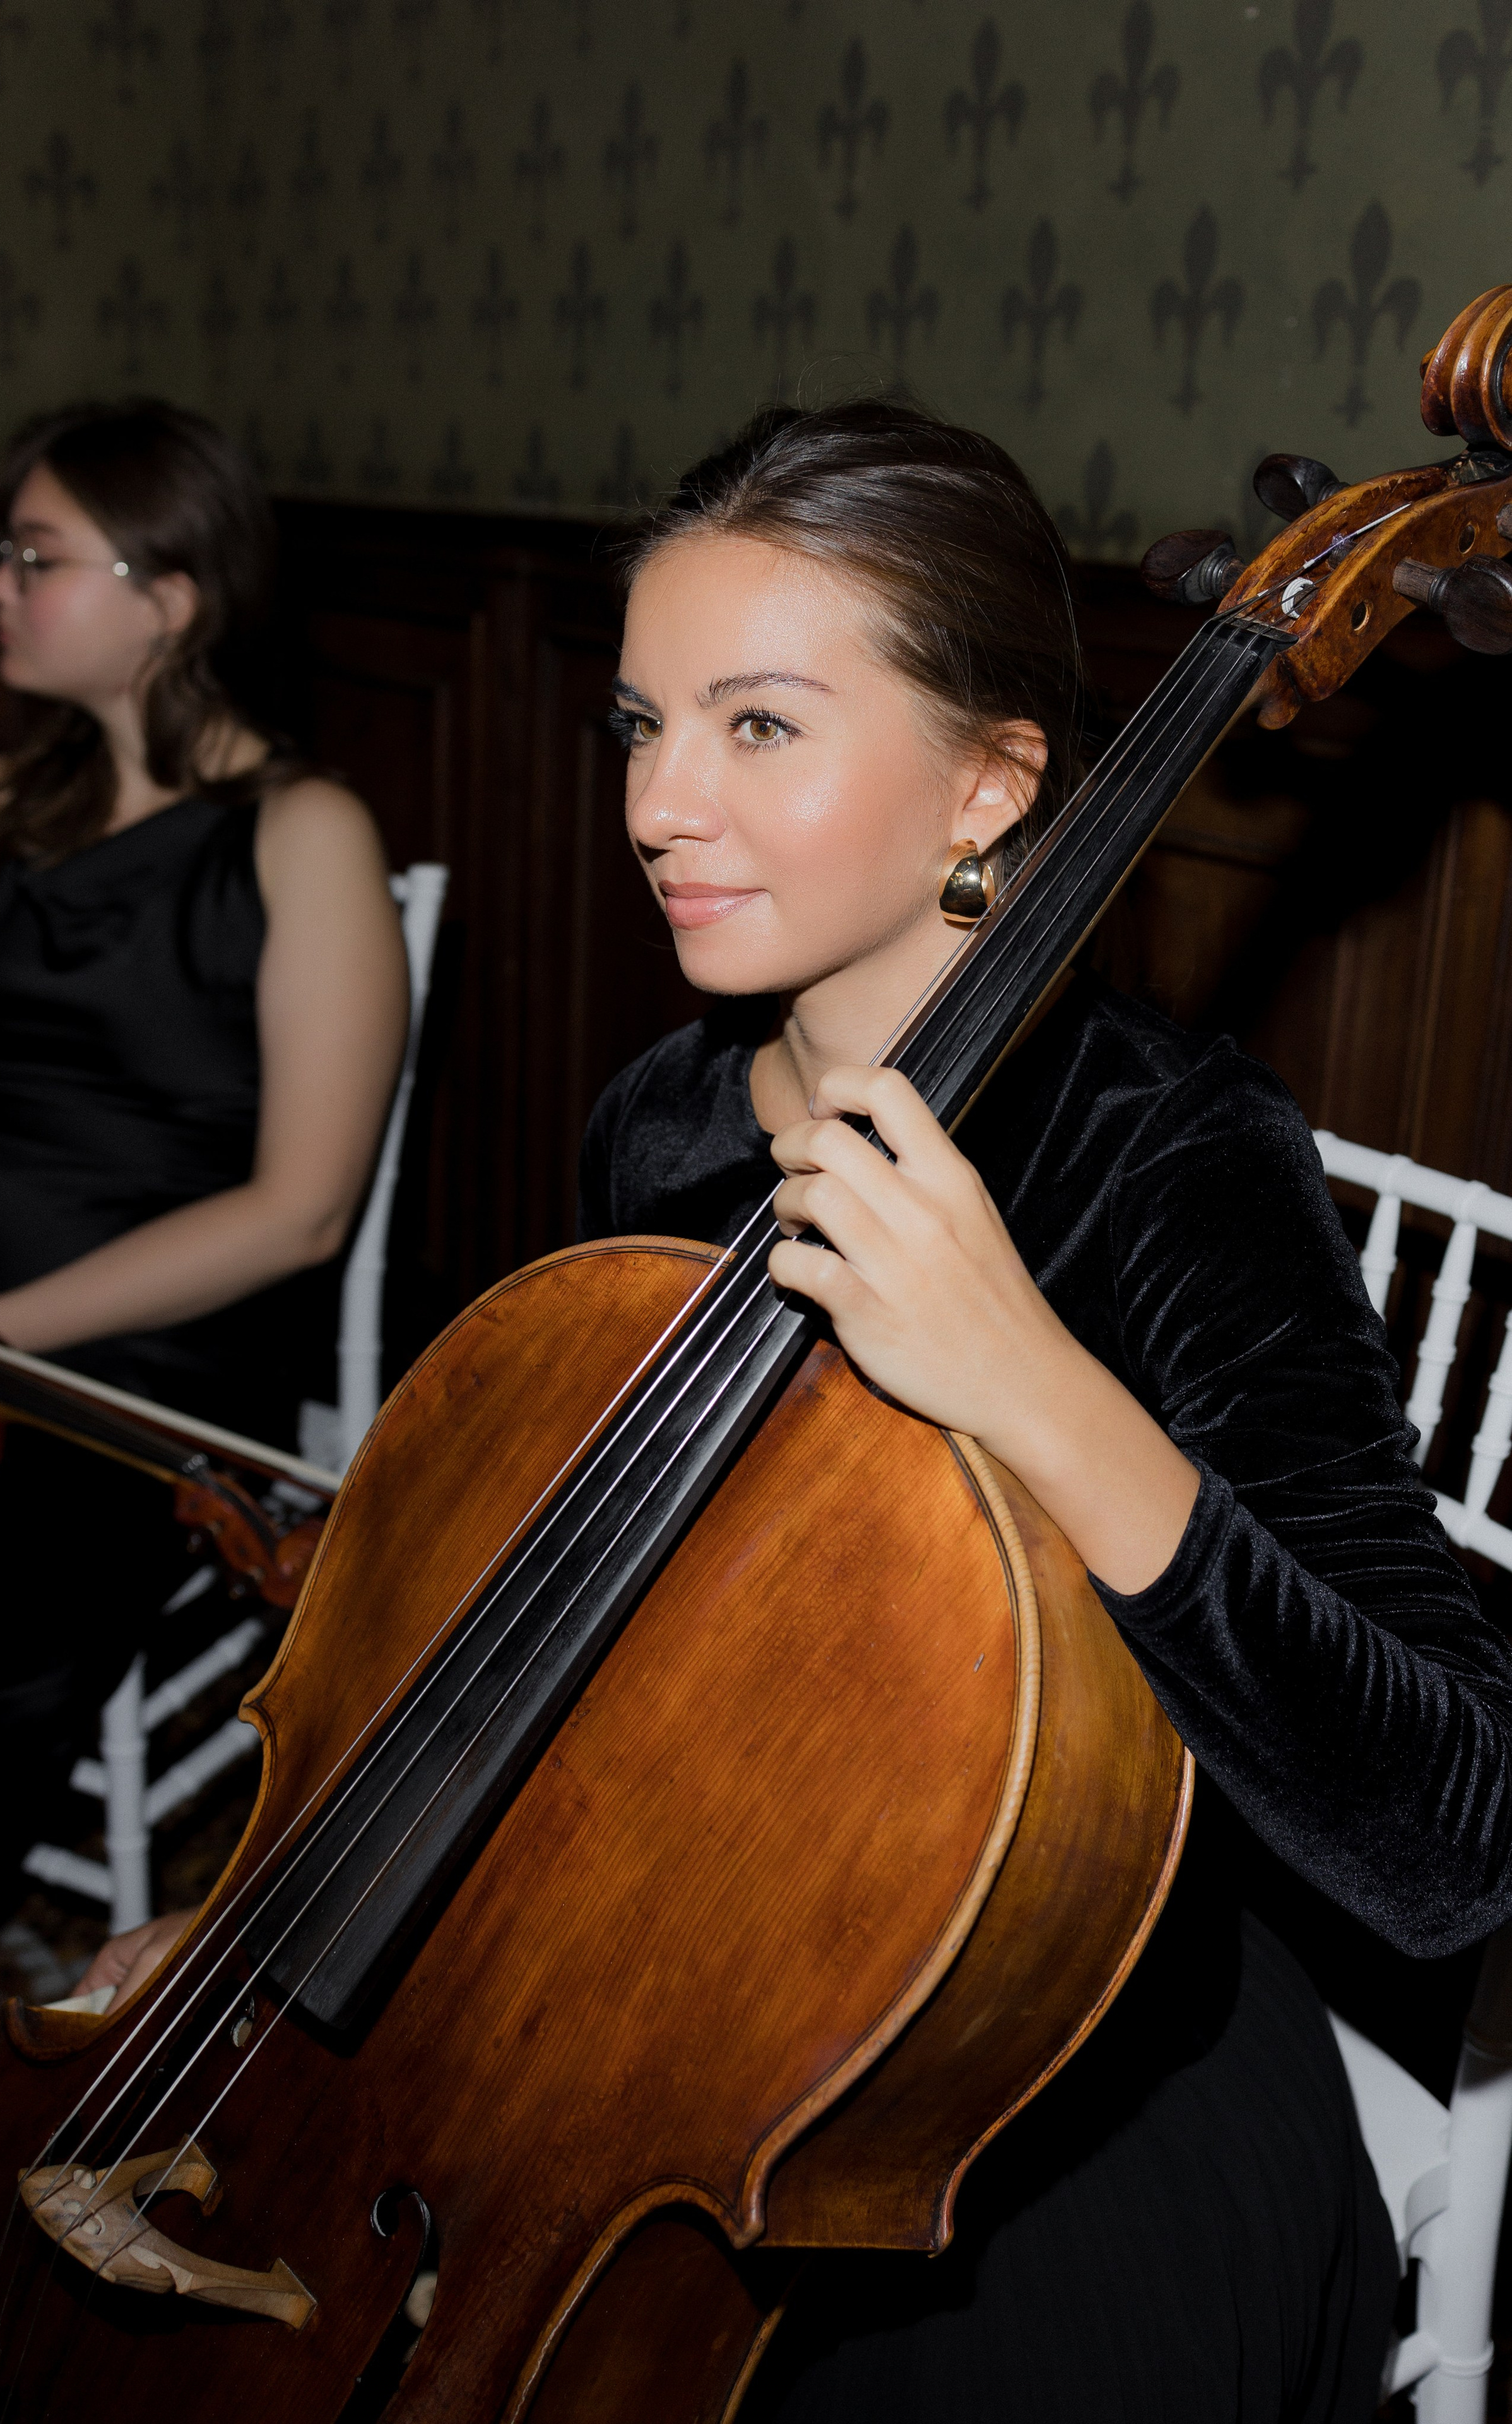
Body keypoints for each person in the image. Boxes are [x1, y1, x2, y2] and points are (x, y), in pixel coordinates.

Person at [569, 400, 1512, 2422]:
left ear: (990, 787)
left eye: (755, 727)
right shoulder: (654, 1134)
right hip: (700, 1935)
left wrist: (1034, 1386)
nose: (661, 804)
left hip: (1079, 2024)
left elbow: (1450, 1835)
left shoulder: (1165, 1151)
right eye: (640, 725)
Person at [0, 399, 408, 2034]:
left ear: (170, 594)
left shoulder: (304, 834)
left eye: (33, 557)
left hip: (140, 1381)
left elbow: (300, 1211)